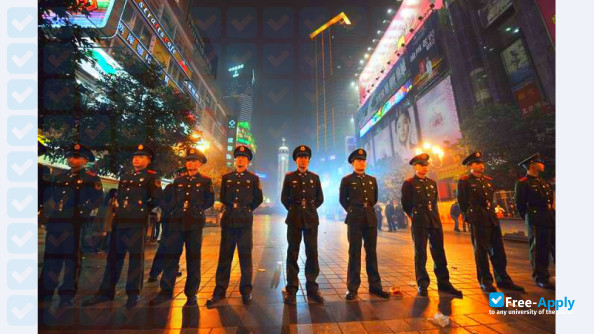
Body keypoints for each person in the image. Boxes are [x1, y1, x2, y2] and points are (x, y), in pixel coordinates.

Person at [83, 144, 163, 308]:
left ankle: (133, 294)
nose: (136, 159)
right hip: (120, 220)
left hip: (136, 222)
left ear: (148, 161)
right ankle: (106, 292)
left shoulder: (151, 177)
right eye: (135, 156)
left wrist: (143, 211)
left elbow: (156, 198)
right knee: (113, 257)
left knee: (135, 259)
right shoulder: (126, 176)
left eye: (141, 157)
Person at [39, 143, 103, 308]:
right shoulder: (60, 176)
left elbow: (97, 199)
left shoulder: (90, 177)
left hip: (74, 224)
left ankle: (67, 294)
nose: (72, 159)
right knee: (51, 258)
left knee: (71, 260)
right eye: (70, 156)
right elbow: (51, 198)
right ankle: (45, 291)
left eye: (76, 157)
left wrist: (83, 210)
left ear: (85, 160)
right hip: (56, 222)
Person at [150, 148, 215, 306]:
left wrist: (198, 209)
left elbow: (209, 200)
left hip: (194, 223)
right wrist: (172, 211)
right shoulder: (179, 181)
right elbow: (171, 199)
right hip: (177, 223)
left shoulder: (206, 181)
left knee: (193, 259)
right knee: (171, 257)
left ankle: (191, 294)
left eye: (194, 161)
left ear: (199, 164)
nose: (190, 163)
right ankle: (165, 291)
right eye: (188, 160)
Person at [457, 151, 524, 293]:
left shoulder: (487, 180)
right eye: (477, 163)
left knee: (498, 250)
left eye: (481, 163)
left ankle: (503, 279)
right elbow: (462, 203)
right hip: (478, 218)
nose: (481, 166)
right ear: (470, 166)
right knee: (481, 251)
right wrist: (470, 217)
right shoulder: (464, 181)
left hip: (491, 217)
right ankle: (485, 281)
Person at [207, 146, 263, 306]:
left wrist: (247, 208)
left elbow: (258, 198)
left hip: (245, 222)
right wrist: (233, 207)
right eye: (238, 157)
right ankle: (219, 291)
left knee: (245, 257)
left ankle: (246, 291)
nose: (240, 159)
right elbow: (223, 197)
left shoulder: (253, 178)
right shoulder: (227, 177)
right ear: (235, 159)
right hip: (229, 220)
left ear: (248, 161)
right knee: (225, 257)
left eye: (244, 157)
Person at [401, 153, 462, 298]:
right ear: (415, 166)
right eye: (421, 165)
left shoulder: (432, 182)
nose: (424, 167)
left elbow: (434, 202)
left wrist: (435, 216)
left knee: (439, 252)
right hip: (419, 220)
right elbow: (406, 204)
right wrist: (414, 216)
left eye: (426, 164)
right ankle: (422, 283)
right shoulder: (409, 183)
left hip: (434, 220)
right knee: (420, 253)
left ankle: (444, 283)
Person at [339, 149, 390, 301]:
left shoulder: (372, 179)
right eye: (358, 160)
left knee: (372, 253)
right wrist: (352, 209)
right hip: (354, 219)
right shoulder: (347, 180)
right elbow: (343, 199)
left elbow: (374, 199)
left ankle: (375, 286)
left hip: (370, 218)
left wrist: (366, 208)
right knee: (354, 253)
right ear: (353, 163)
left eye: (363, 160)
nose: (361, 162)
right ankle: (352, 288)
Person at [281, 145, 324, 305]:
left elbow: (320, 198)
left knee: (312, 252)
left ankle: (312, 288)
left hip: (311, 219)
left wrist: (310, 209)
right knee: (292, 252)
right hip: (294, 218)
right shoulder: (289, 177)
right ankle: (291, 289)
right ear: (296, 160)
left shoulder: (315, 177)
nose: (303, 159)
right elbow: (284, 198)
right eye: (300, 157)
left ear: (309, 160)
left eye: (306, 157)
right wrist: (294, 209)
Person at [514, 153, 555, 290]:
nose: (543, 164)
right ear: (532, 165)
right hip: (536, 219)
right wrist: (529, 218)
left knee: (554, 247)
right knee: (540, 249)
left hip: (550, 217)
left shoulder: (543, 182)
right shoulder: (523, 183)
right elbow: (520, 205)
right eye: (540, 162)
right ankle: (541, 277)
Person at [147, 168, 187, 282]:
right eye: (180, 175)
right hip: (169, 221)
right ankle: (155, 272)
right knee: (164, 246)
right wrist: (170, 211)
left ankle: (174, 269)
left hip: (181, 221)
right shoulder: (170, 188)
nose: (181, 177)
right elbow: (161, 201)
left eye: (184, 175)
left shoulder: (187, 188)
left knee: (177, 248)